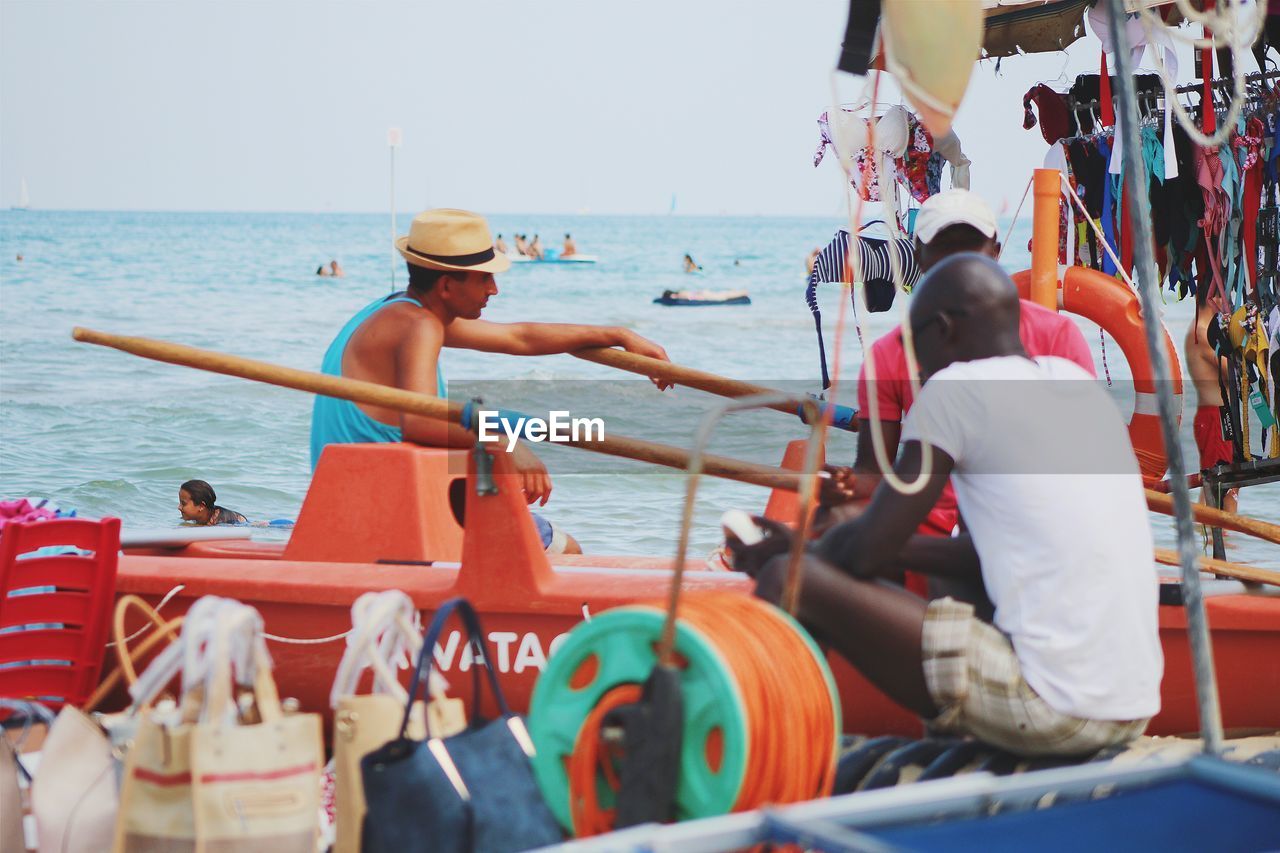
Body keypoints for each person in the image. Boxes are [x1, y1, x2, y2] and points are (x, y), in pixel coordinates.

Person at [730, 254, 1161, 757]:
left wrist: (796, 552)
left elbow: (866, 551)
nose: (916, 367)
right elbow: (975, 557)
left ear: (943, 330)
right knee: (948, 571)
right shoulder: (1075, 384)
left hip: (1056, 710)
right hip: (1132, 706)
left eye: (917, 346)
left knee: (787, 578)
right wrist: (835, 547)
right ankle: (949, 738)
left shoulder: (954, 390)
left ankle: (775, 758)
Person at [310, 208, 674, 554]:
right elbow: (420, 421)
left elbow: (520, 338)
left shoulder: (402, 312)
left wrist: (619, 335)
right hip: (384, 509)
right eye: (485, 278)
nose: (494, 289)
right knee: (568, 550)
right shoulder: (419, 327)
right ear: (448, 286)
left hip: (356, 494)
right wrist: (506, 446)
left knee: (543, 428)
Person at [822, 190, 1096, 602]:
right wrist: (846, 486)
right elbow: (874, 471)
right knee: (835, 522)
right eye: (945, 250)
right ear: (919, 255)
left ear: (996, 252)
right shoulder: (888, 355)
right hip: (924, 515)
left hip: (1019, 517)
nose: (959, 263)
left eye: (971, 249)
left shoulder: (1058, 338)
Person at [1186, 295, 1238, 514]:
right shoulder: (1202, 332)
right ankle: (1222, 540)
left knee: (1222, 486)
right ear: (1213, 297)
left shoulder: (1206, 328)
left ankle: (1217, 540)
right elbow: (1233, 371)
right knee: (1221, 489)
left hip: (1220, 417)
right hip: (1215, 418)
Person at [179, 480, 248, 526]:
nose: (179, 507)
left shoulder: (222, 523)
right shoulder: (202, 517)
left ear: (201, 506)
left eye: (183, 504)